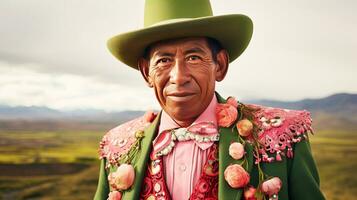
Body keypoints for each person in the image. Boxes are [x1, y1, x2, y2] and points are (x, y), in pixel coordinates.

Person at [94, 0, 325, 199]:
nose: (179, 76)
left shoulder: (280, 138)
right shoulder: (117, 149)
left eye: (194, 57)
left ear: (220, 65)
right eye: (163, 60)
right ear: (146, 73)